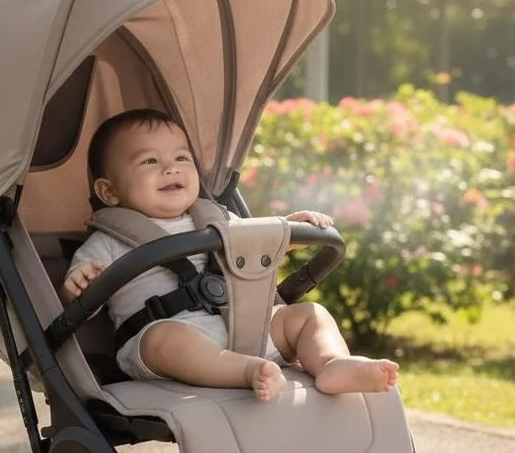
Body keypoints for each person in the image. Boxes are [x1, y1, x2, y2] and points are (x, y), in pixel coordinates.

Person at [61, 109, 400, 402]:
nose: (172, 169)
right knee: (164, 340)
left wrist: (288, 231)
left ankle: (331, 364)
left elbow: (255, 243)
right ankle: (248, 371)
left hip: (245, 330)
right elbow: (81, 307)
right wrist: (80, 284)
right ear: (108, 191)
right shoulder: (106, 241)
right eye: (150, 161)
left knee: (309, 315)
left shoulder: (217, 217)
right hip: (175, 341)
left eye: (182, 158)